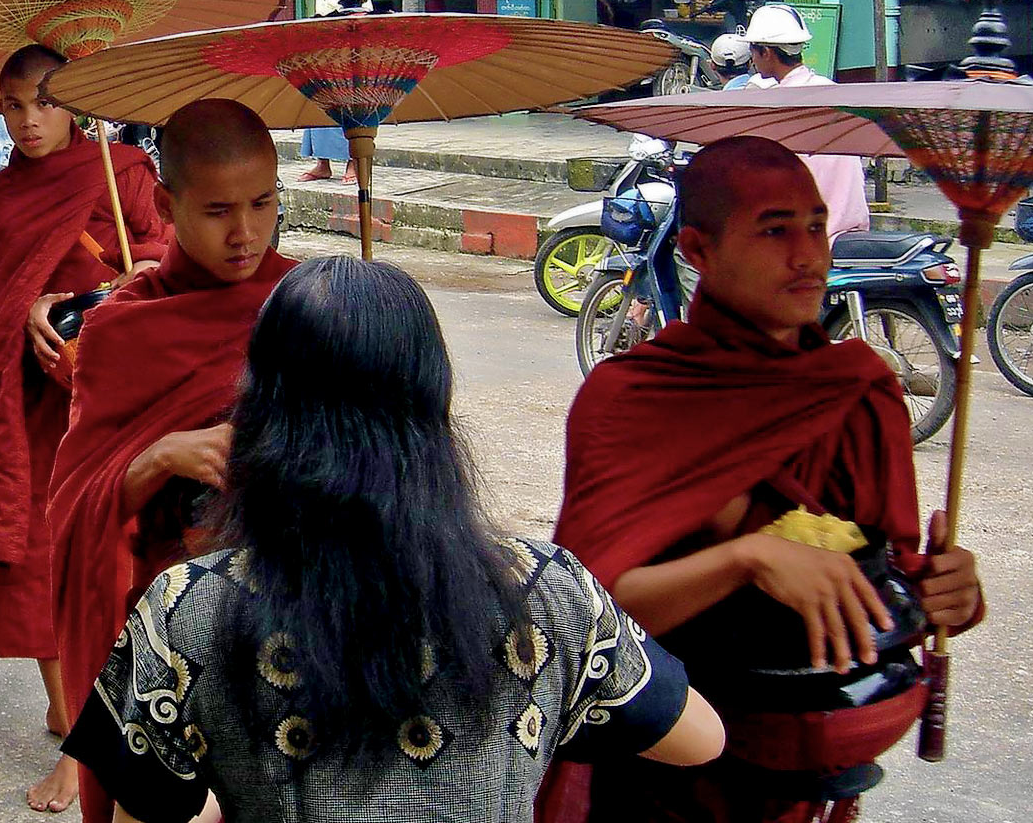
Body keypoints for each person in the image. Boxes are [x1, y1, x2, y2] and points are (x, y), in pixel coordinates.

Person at [65, 257, 725, 823]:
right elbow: (700, 737)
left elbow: (141, 814)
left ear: (262, 411)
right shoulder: (546, 592)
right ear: (434, 404)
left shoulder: (187, 611)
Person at [553, 137, 984, 823]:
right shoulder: (634, 398)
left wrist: (945, 594)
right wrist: (746, 559)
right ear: (697, 250)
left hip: (812, 783)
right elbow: (586, 622)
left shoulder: (859, 390)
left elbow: (889, 592)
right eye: (775, 230)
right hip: (664, 776)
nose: (809, 254)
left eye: (816, 226)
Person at [48, 97, 294, 823]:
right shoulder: (125, 329)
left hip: (302, 605)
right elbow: (73, 503)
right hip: (178, 620)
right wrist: (158, 457)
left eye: (262, 202)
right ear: (164, 201)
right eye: (218, 209)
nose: (245, 232)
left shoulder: (306, 304)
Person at [0, 45, 170, 813]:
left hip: (116, 405)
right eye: (13, 104)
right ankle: (74, 725)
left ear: (73, 99)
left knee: (111, 565)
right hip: (30, 407)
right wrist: (27, 306)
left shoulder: (123, 176)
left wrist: (115, 288)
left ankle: (93, 731)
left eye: (46, 101)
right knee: (37, 561)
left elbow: (168, 259)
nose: (29, 120)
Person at [741, 4, 869, 241]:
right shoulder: (830, 90)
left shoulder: (782, 104)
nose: (752, 58)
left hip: (812, 236)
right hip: (851, 225)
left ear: (766, 52)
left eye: (753, 50)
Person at [300, 0, 369, 183]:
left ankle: (352, 163)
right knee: (316, 103)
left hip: (348, 57)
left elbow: (361, 19)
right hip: (324, 55)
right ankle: (322, 162)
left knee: (350, 108)